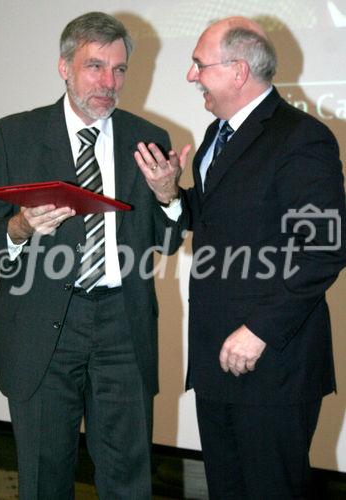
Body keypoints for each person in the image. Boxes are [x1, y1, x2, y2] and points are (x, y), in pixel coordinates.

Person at [135, 16, 346, 500]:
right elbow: (211, 220)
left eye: (197, 65)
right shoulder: (216, 135)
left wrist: (259, 332)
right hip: (216, 361)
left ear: (237, 71)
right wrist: (170, 194)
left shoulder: (301, 138)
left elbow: (322, 249)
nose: (190, 76)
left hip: (273, 362)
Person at [0, 11, 188, 499]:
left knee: (127, 479)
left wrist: (169, 197)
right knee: (43, 477)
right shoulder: (13, 135)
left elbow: (165, 242)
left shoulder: (149, 140)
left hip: (123, 323)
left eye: (119, 70)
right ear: (64, 67)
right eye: (95, 66)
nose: (109, 82)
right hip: (41, 327)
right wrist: (18, 227)